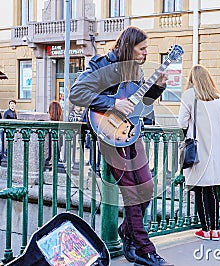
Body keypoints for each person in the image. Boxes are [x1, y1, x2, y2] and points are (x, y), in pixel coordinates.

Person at [70, 26, 171, 266]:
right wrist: (113, 103)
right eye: (142, 48)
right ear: (128, 46)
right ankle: (144, 248)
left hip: (131, 133)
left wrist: (157, 87)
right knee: (132, 193)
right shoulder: (101, 64)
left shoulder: (135, 70)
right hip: (108, 136)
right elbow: (77, 93)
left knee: (146, 187)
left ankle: (127, 230)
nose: (145, 53)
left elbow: (141, 105)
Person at [177, 65, 220, 241]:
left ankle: (205, 230)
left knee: (199, 190)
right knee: (212, 190)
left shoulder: (190, 95)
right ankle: (216, 230)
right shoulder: (219, 98)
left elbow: (181, 122)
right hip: (216, 151)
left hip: (199, 150)